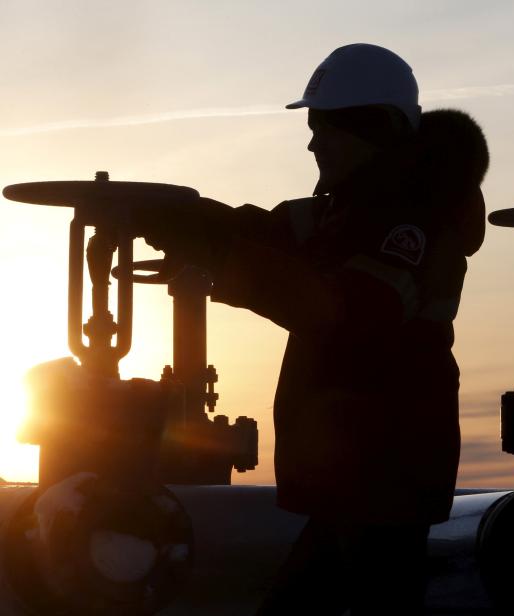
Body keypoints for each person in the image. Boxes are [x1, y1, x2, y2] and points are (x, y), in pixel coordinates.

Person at [135, 43, 489, 614]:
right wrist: (186, 222)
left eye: (322, 126)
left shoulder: (412, 224)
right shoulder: (349, 210)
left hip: (383, 480)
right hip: (359, 482)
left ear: (370, 128)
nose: (311, 141)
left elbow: (343, 313)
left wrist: (224, 270)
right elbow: (268, 235)